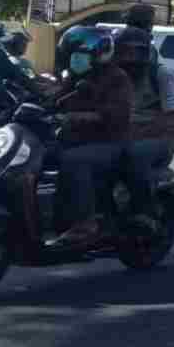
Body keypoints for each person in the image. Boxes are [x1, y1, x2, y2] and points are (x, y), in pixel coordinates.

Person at [52, 26, 135, 247]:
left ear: (99, 54)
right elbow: (55, 98)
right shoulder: (74, 76)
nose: (75, 58)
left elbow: (117, 115)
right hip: (76, 139)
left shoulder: (117, 78)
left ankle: (85, 223)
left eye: (81, 54)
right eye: (72, 54)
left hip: (110, 142)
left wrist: (77, 117)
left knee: (74, 161)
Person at [117, 26, 174, 223]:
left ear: (146, 53)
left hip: (165, 134)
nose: (129, 58)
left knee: (135, 154)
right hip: (128, 131)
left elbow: (171, 119)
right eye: (124, 52)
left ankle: (143, 211)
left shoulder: (163, 75)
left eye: (134, 52)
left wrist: (134, 134)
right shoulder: (115, 75)